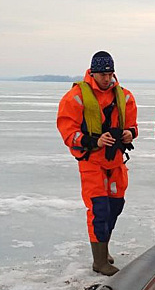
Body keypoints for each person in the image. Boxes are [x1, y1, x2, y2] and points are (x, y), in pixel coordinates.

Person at [57, 51, 138, 276]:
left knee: (115, 206)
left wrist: (129, 134)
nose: (106, 78)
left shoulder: (125, 96)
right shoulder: (76, 97)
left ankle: (104, 248)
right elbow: (67, 131)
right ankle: (99, 261)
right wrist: (95, 140)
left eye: (110, 73)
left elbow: (133, 125)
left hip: (115, 161)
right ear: (93, 73)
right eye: (102, 74)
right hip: (91, 162)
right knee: (99, 209)